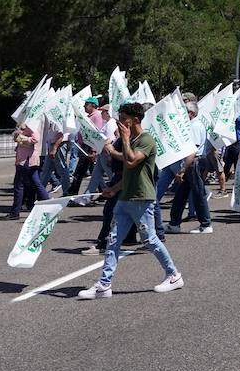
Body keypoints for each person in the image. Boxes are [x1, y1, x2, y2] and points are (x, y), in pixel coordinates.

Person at [78, 102, 183, 298]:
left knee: (150, 240)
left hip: (142, 199)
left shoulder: (146, 140)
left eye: (124, 119)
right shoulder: (132, 140)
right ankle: (104, 285)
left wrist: (124, 140)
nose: (120, 123)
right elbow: (128, 173)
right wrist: (113, 189)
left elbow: (132, 161)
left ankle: (174, 275)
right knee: (113, 240)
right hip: (125, 198)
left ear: (135, 120)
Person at [167, 97, 213, 235]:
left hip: (193, 163)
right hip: (192, 163)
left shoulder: (194, 126)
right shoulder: (193, 125)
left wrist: (182, 169)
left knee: (198, 193)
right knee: (181, 194)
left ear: (191, 113)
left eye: (184, 111)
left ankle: (206, 224)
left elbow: (192, 151)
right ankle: (174, 223)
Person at [8, 120, 46, 219]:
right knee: (35, 182)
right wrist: (18, 135)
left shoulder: (32, 124)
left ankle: (15, 212)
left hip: (26, 159)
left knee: (19, 185)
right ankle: (48, 203)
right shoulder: (28, 123)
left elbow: (35, 139)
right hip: (25, 158)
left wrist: (22, 137)